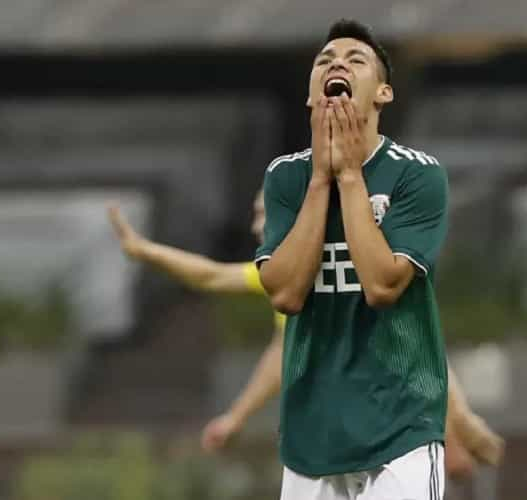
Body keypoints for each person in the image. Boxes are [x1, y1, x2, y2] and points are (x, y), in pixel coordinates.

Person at [108, 193, 503, 478]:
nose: (255, 224)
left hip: (404, 389)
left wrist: (448, 429)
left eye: (263, 212)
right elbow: (214, 279)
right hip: (356, 413)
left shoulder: (342, 257)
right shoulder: (283, 276)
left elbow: (405, 339)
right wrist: (144, 252)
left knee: (474, 442)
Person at [257, 19, 454, 499]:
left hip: (401, 426)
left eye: (355, 60)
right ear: (310, 96)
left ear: (383, 93)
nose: (337, 64)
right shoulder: (286, 177)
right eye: (324, 61)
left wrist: (347, 176)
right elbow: (284, 292)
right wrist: (321, 180)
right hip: (312, 433)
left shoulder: (417, 176)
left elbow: (383, 286)